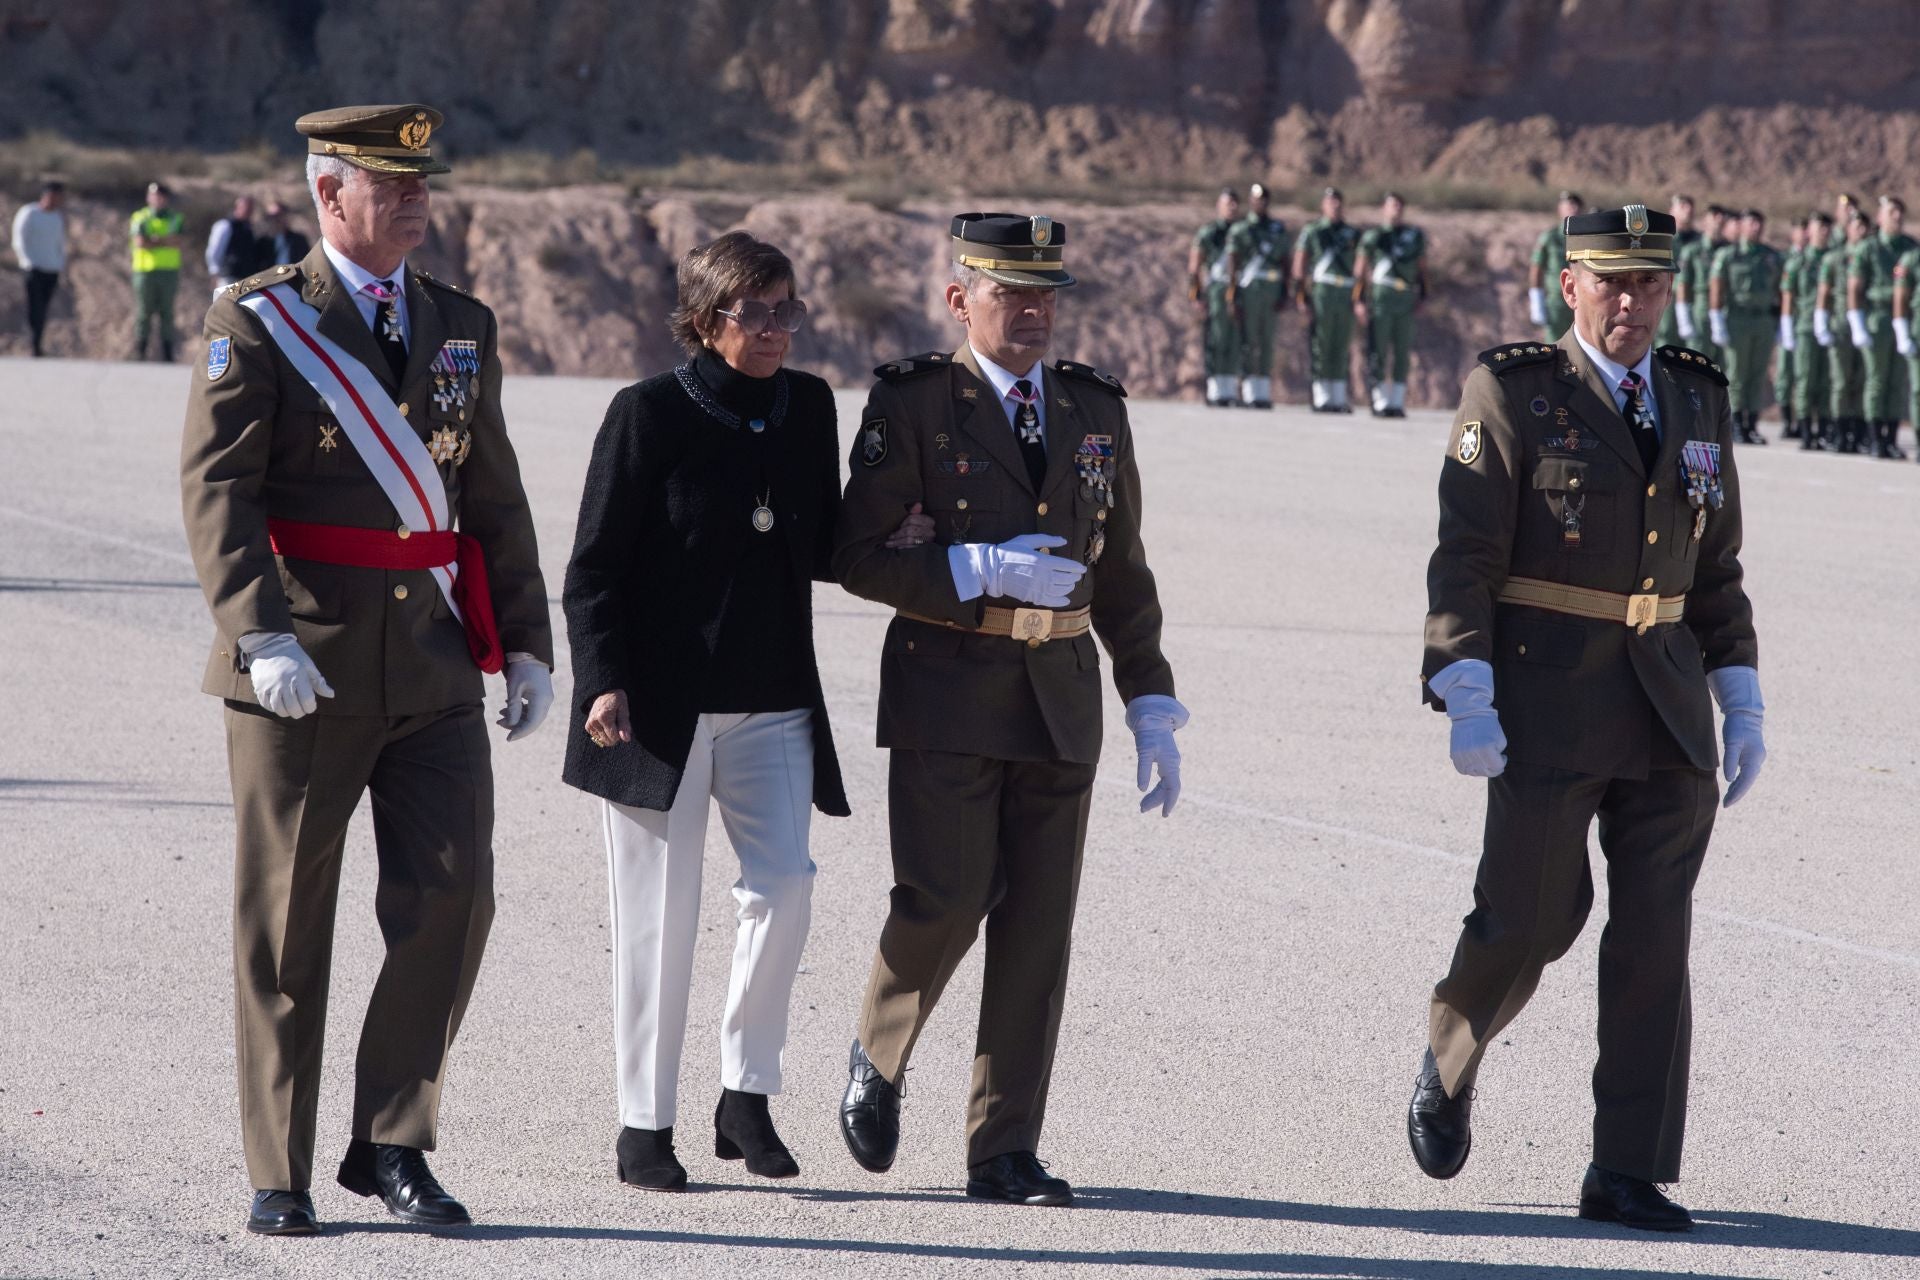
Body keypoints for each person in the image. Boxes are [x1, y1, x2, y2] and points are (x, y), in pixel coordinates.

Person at [179, 104, 555, 1238]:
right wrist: (259, 630)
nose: (411, 196)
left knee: (455, 895)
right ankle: (278, 1166)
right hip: (305, 658)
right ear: (326, 193)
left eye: (419, 180)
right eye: (385, 181)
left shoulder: (459, 324)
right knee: (290, 925)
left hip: (434, 662)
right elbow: (218, 494)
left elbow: (489, 493)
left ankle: (392, 1136)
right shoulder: (260, 320)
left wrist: (526, 638)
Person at [1406, 204, 1764, 1233]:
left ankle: (1627, 1167)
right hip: (1547, 699)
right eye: (1613, 283)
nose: (1633, 303)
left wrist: (1738, 688)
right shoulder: (1516, 392)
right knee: (1532, 919)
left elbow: (1717, 567)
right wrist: (1460, 678)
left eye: (1650, 284)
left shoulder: (1696, 396)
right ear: (1570, 286)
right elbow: (1464, 553)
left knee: (1655, 936)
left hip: (1666, 703)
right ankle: (1451, 1048)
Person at [833, 212, 1187, 1208]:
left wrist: (1149, 690)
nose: (1032, 312)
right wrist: (967, 565)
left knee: (1037, 931)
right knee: (942, 897)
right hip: (949, 686)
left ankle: (1003, 1147)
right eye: (1008, 293)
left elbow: (1120, 568)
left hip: (1060, 698)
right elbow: (855, 552)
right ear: (960, 299)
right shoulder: (911, 406)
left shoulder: (1093, 411)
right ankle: (878, 1048)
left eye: (1045, 295)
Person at [560, 232, 927, 1193]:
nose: (775, 330)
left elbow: (813, 537)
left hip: (772, 703)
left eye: (786, 309)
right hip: (654, 712)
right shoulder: (645, 414)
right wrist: (602, 679)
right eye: (754, 313)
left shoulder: (806, 405)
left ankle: (745, 1095)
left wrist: (895, 530)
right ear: (705, 317)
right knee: (657, 920)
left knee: (788, 885)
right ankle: (644, 1124)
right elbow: (593, 567)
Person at [1847, 195, 1915, 459]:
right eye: (1891, 212)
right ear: (1880, 217)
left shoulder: (1910, 248)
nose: (1897, 216)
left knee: (1897, 382)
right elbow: (1855, 287)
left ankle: (1891, 438)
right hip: (1876, 320)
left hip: (1903, 320)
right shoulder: (1868, 248)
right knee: (1877, 380)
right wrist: (1857, 322)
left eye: (1900, 211)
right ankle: (1875, 439)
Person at [1707, 208, 1782, 446]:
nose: (1756, 228)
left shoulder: (1770, 256)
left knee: (1758, 374)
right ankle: (1736, 423)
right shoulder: (1728, 255)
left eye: (1759, 224)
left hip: (1763, 320)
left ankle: (1752, 424)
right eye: (1751, 223)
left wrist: (1780, 321)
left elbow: (1780, 290)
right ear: (1742, 226)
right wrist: (1717, 319)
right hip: (1737, 320)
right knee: (1738, 373)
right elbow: (1717, 287)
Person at [1354, 191, 1428, 418]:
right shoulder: (1373, 237)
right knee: (1379, 349)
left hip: (1404, 296)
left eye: (1399, 205)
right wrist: (1359, 301)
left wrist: (1422, 295)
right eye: (1391, 205)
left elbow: (1421, 268)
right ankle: (1379, 399)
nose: (1396, 209)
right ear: (1383, 209)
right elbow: (1360, 271)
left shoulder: (1414, 236)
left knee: (1402, 351)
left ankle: (1396, 400)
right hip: (1381, 297)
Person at [1293, 186, 1361, 411]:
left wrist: (1360, 297)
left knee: (1341, 344)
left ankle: (1338, 396)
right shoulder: (1312, 232)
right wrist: (1301, 296)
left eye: (1338, 201)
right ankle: (1322, 395)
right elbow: (1300, 265)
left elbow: (1361, 267)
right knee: (1321, 343)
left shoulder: (1352, 233)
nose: (1335, 205)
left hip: (1346, 293)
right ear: (1323, 205)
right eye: (1330, 201)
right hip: (1323, 292)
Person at [1225, 181, 1290, 408]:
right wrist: (1232, 294)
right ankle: (1247, 390)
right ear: (1251, 202)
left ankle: (1262, 392)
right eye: (1256, 199)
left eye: (1263, 199)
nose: (1259, 203)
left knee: (1267, 342)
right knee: (1248, 341)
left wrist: (1284, 292)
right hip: (1248, 292)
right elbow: (1233, 263)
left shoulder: (1277, 229)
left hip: (1270, 292)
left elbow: (1285, 262)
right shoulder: (1240, 230)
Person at [1816, 203, 1870, 453]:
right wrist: (1821, 319)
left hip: (1866, 326)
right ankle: (1838, 432)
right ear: (1847, 229)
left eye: (1864, 226)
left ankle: (1857, 433)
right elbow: (1825, 292)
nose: (1860, 230)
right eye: (1856, 225)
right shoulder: (1834, 258)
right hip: (1840, 326)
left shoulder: (1872, 255)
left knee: (1860, 381)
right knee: (1840, 382)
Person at [1783, 213, 1832, 450]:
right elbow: (1789, 296)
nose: (1823, 231)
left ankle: (1822, 431)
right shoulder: (1798, 262)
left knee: (1825, 381)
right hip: (1804, 326)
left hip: (1829, 328)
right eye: (1819, 227)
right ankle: (1804, 432)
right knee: (1805, 380)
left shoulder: (1834, 260)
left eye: (1826, 227)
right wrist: (1786, 327)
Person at [1188, 188, 1240, 406]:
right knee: (1216, 341)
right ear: (1219, 206)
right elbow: (1194, 267)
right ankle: (1215, 389)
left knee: (1234, 341)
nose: (1232, 207)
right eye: (1228, 203)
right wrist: (1196, 296)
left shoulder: (1243, 232)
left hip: (1237, 291)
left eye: (1235, 203)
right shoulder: (1209, 233)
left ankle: (1230, 390)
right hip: (1215, 291)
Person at [129, 180, 185, 361]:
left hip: (168, 272)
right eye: (153, 196)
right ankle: (141, 352)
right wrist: (164, 241)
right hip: (145, 272)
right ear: (148, 197)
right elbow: (140, 242)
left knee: (167, 313)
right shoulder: (140, 217)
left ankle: (168, 354)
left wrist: (154, 240)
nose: (157, 199)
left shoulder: (175, 218)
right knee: (144, 312)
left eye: (160, 196)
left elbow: (178, 241)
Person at [11, 179, 66, 357]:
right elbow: (19, 239)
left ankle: (38, 342)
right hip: (33, 267)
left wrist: (60, 263)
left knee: (44, 307)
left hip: (51, 269)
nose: (56, 200)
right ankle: (34, 343)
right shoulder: (29, 213)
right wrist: (26, 261)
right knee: (35, 307)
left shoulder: (57, 217)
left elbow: (59, 244)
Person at [1676, 205, 1730, 365]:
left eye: (1721, 217)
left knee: (1723, 365)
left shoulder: (1729, 250)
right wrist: (1683, 315)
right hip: (1701, 309)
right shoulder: (1693, 250)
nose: (1718, 221)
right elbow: (1683, 283)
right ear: (1705, 220)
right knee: (1697, 362)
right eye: (1714, 216)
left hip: (1726, 311)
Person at [1527, 190, 1581, 341]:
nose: (1573, 208)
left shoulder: (1585, 239)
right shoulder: (1550, 238)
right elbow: (1536, 268)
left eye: (1576, 205)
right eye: (1568, 205)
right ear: (1560, 209)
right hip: (1557, 303)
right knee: (1555, 346)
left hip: (1582, 300)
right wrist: (1536, 299)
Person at [1653, 194, 1700, 348]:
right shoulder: (1662, 239)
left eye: (1690, 206)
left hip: (1694, 299)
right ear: (1671, 210)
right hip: (1668, 296)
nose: (1688, 210)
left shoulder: (1700, 241)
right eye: (1682, 206)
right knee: (1666, 339)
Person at [1772, 221, 1804, 439]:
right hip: (1784, 320)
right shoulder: (1781, 259)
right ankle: (1786, 420)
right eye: (1800, 229)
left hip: (1804, 321)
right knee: (1784, 373)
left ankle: (1802, 421)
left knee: (1805, 374)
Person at [205, 194, 260, 296]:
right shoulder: (225, 225)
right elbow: (214, 250)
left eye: (251, 209)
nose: (249, 212)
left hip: (245, 278)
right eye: (246, 208)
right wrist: (214, 272)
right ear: (238, 208)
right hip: (228, 276)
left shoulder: (249, 229)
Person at [260, 200, 312, 268]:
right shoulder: (262, 243)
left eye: (278, 215)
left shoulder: (299, 240)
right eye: (271, 217)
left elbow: (306, 264)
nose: (275, 220)